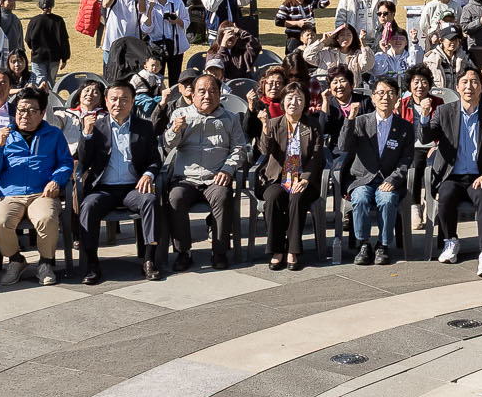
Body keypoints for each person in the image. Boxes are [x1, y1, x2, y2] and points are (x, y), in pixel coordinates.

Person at [72, 81, 162, 283]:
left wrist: (148, 174)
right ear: (106, 101)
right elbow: (84, 161)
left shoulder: (144, 127)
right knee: (88, 205)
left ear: (132, 103)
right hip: (104, 189)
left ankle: (149, 259)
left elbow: (155, 159)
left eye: (124, 99)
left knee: (150, 201)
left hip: (133, 187)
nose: (118, 104)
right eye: (113, 99)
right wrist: (86, 134)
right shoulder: (97, 126)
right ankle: (92, 263)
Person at [0, 86, 72, 285]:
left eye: (32, 111)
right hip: (10, 194)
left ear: (41, 113)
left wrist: (57, 180)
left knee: (46, 218)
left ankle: (45, 263)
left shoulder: (53, 134)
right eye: (21, 110)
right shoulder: (2, 134)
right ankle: (16, 260)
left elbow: (66, 163)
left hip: (41, 193)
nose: (25, 115)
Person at [159, 71, 248, 271]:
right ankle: (184, 252)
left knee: (223, 196)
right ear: (193, 95)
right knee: (175, 198)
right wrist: (174, 130)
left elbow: (240, 149)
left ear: (219, 94)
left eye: (212, 91)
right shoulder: (180, 115)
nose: (207, 96)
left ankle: (219, 251)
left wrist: (227, 169)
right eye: (202, 91)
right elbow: (167, 145)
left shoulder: (230, 118)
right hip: (186, 178)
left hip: (215, 178)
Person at [427, 64, 482, 275]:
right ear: (457, 87)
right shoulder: (444, 112)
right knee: (445, 194)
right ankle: (451, 240)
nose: (469, 86)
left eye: (474, 82)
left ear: (481, 87)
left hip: (478, 175)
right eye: (464, 82)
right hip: (452, 175)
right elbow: (425, 137)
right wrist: (424, 117)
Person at [335, 77, 418, 266]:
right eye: (380, 93)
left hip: (389, 179)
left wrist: (394, 179)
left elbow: (406, 158)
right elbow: (343, 145)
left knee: (387, 199)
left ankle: (383, 244)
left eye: (390, 93)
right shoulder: (361, 121)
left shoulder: (404, 126)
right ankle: (363, 243)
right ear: (373, 98)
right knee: (360, 198)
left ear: (397, 98)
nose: (385, 97)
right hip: (362, 178)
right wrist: (350, 120)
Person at [254, 81, 325, 272]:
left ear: (305, 104)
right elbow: (265, 150)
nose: (294, 102)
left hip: (303, 179)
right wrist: (264, 128)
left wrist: (305, 179)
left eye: (299, 99)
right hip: (279, 178)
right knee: (273, 197)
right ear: (283, 101)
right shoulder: (274, 123)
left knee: (297, 197)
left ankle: (293, 249)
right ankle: (277, 250)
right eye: (290, 98)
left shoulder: (312, 126)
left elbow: (317, 157)